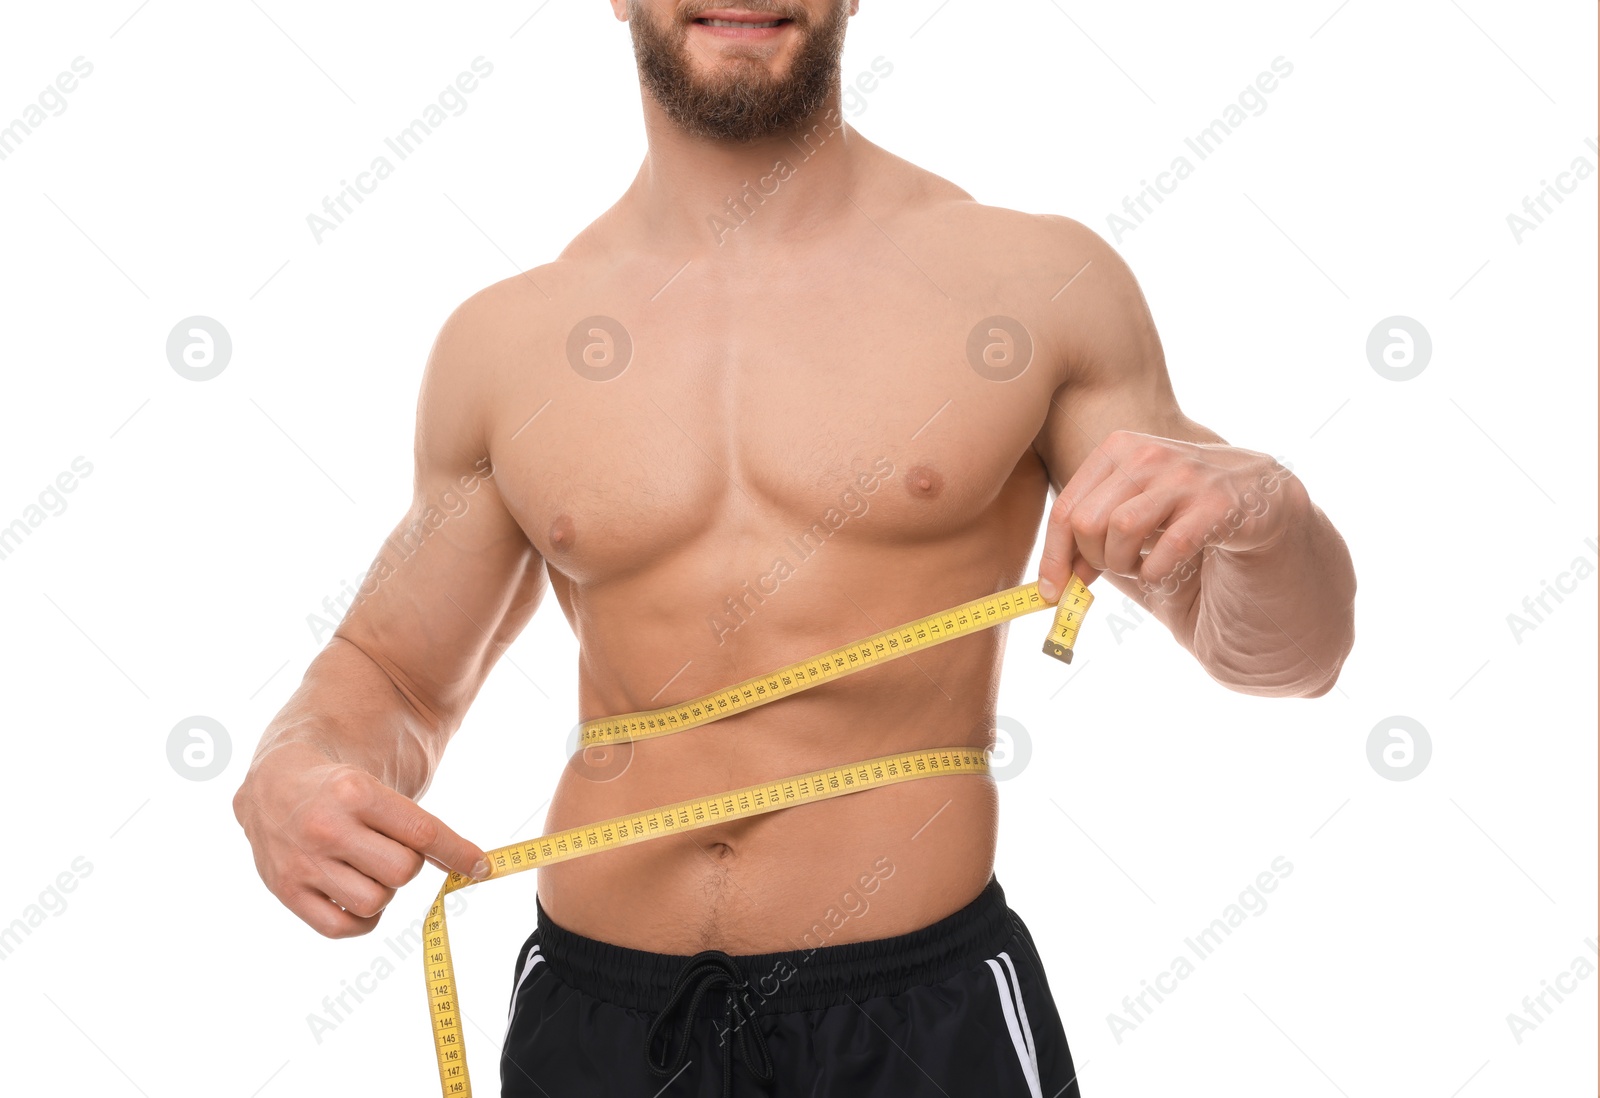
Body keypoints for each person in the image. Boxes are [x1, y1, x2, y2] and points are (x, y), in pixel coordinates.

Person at [232, 3, 1357, 1095]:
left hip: (913, 1015)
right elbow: (392, 674)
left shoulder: (1033, 285)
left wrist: (1266, 509)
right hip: (597, 1020)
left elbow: (1288, 657)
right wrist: (295, 763)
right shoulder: (507, 343)